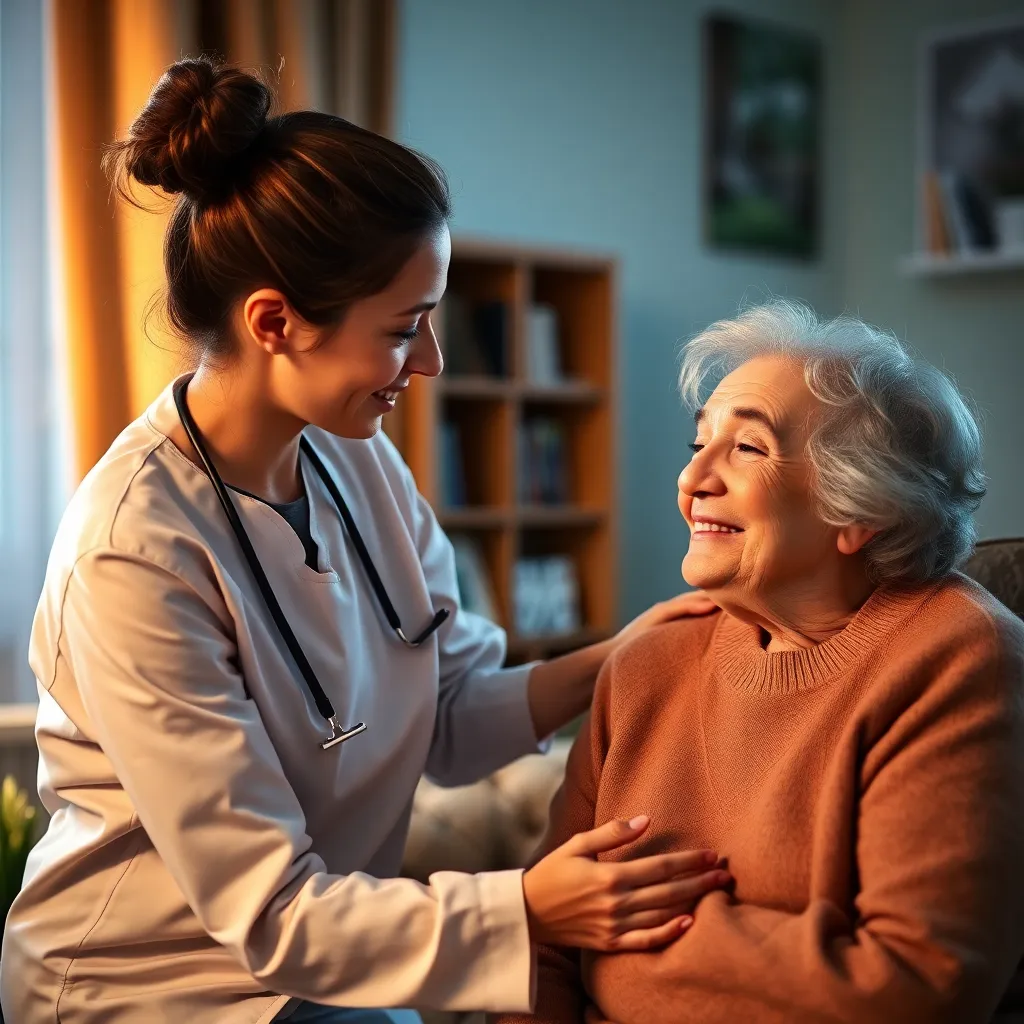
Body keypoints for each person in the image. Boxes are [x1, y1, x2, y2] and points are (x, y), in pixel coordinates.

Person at [0, 58, 728, 1024]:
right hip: (156, 987)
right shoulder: (133, 551)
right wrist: (529, 903)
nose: (427, 363)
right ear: (275, 322)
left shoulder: (360, 462)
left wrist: (640, 650)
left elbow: (453, 717)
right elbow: (269, 909)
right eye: (403, 330)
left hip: (330, 953)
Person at [497, 300, 1024, 1024]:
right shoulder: (649, 661)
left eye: (747, 449)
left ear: (860, 509)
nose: (694, 481)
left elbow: (916, 987)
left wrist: (641, 941)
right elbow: (541, 943)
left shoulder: (957, 656)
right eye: (697, 445)